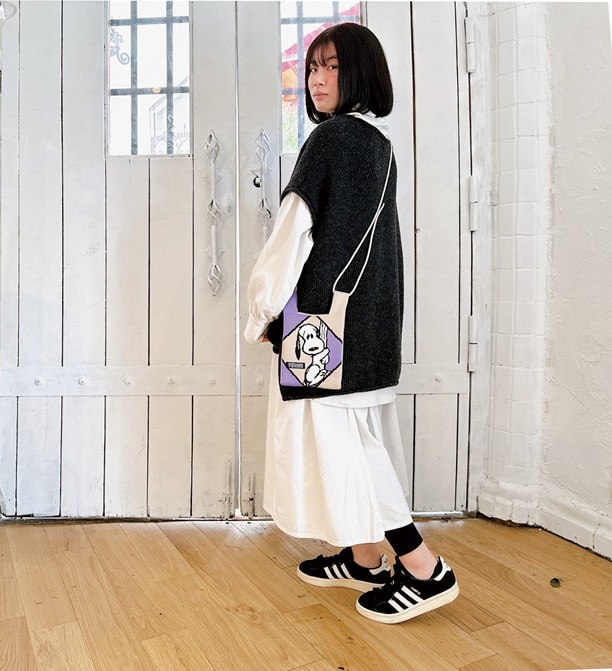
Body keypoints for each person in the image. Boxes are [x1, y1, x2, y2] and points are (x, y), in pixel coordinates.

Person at [244, 22, 459, 624]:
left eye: (333, 66)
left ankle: (424, 568)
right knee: (360, 437)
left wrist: (264, 310)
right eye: (313, 67)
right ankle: (365, 558)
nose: (317, 78)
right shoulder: (378, 145)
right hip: (368, 322)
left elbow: (294, 229)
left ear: (359, 72)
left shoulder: (330, 140)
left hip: (324, 326)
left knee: (351, 449)